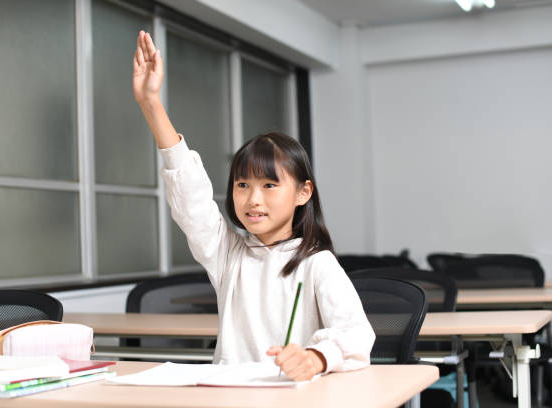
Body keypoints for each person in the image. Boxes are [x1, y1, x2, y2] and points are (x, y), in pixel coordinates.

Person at [132, 30, 375, 381]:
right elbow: (191, 196)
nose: (253, 198)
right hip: (228, 398)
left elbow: (356, 334)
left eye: (270, 185)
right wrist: (150, 103)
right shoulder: (229, 254)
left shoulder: (317, 264)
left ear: (303, 193)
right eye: (242, 184)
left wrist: (315, 357)